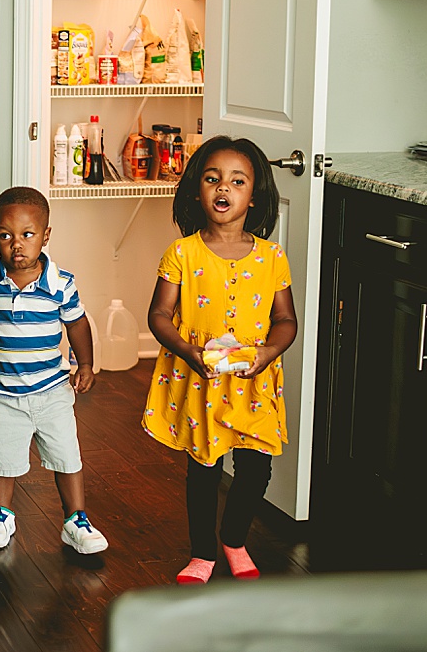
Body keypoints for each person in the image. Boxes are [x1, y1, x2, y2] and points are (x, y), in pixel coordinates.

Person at [142, 135, 299, 585]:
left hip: (254, 378)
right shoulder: (182, 253)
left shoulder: (272, 258)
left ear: (255, 195)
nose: (223, 188)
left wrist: (268, 352)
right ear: (197, 189)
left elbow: (286, 320)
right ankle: (202, 553)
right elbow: (158, 315)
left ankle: (233, 539)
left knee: (256, 467)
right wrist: (189, 351)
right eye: (212, 179)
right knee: (204, 470)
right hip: (201, 378)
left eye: (237, 180)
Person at [0, 187, 110, 554]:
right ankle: (1, 514)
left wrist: (86, 363)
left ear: (46, 235)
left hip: (51, 389)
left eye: (27, 235)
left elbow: (77, 324)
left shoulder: (60, 284)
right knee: (0, 457)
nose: (16, 244)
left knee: (67, 455)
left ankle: (75, 519)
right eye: (6, 235)